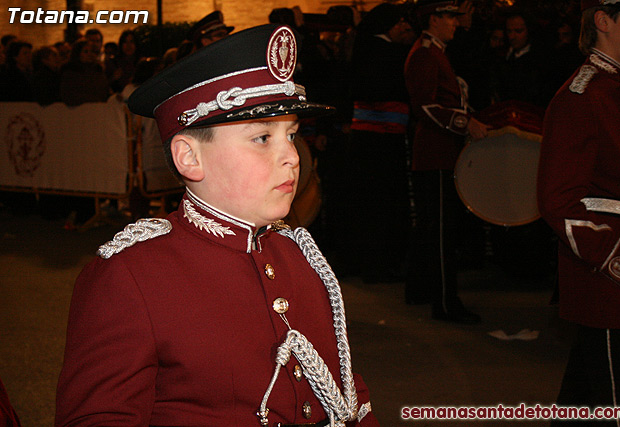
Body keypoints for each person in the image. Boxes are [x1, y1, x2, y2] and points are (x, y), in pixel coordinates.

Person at [55, 24, 379, 427]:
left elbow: (347, 397)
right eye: (262, 138)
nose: (292, 157)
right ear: (189, 158)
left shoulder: (300, 256)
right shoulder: (130, 277)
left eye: (292, 135)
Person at [538, 0, 620, 424]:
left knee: (582, 394)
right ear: (603, 21)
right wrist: (615, 258)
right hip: (607, 273)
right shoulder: (581, 96)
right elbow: (557, 199)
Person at [403, 0, 489, 323]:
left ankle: (423, 290)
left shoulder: (434, 51)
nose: (456, 22)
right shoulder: (426, 53)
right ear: (434, 19)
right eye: (450, 17)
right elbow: (425, 106)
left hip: (440, 151)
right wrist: (465, 123)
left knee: (433, 229)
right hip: (435, 151)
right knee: (441, 233)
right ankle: (445, 302)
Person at [344, 2, 415, 282]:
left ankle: (367, 263)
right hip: (383, 139)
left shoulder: (364, 48)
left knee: (366, 202)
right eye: (400, 23)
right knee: (383, 203)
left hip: (367, 138)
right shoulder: (388, 52)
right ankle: (382, 264)